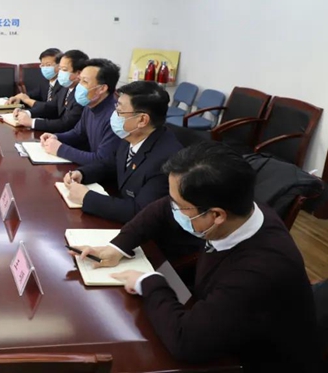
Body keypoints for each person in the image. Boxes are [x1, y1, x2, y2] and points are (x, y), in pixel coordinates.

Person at [70, 143, 321, 373]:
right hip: (221, 322)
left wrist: (149, 282)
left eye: (180, 206)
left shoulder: (259, 271)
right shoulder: (240, 210)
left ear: (216, 216)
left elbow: (185, 342)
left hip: (250, 361)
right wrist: (117, 247)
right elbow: (161, 209)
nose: (173, 208)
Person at [64, 81, 182, 223]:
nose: (114, 115)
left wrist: (86, 197)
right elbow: (111, 164)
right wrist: (82, 173)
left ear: (142, 120)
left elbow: (141, 211)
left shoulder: (166, 160)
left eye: (120, 111)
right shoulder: (131, 135)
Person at [40, 59, 121, 165]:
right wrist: (56, 137)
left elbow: (102, 160)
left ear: (102, 89)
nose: (79, 85)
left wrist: (60, 149)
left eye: (85, 82)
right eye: (80, 80)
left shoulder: (115, 117)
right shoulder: (90, 104)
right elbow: (78, 133)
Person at [12, 49, 87, 133]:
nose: (60, 72)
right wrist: (27, 112)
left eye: (64, 70)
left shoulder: (81, 95)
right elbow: (50, 107)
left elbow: (66, 124)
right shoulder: (66, 87)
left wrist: (32, 122)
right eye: (60, 68)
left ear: (79, 74)